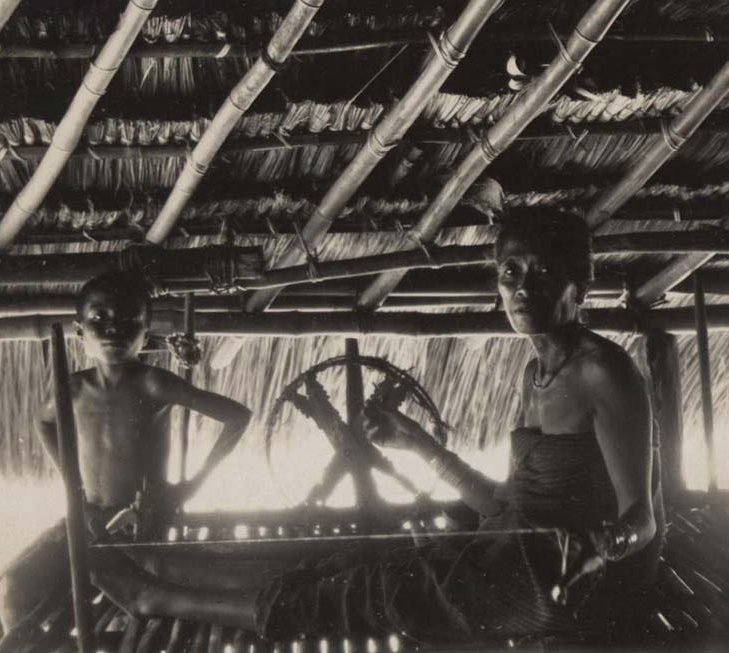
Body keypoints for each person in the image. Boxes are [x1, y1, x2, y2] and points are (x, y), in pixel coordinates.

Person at [92, 212, 665, 643]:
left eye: (543, 272)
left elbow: (643, 519)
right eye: (510, 272)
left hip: (564, 592)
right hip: (510, 559)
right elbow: (501, 506)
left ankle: (153, 596)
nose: (522, 288)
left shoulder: (603, 373)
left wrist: (599, 545)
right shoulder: (533, 372)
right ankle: (165, 567)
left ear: (579, 284)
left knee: (379, 593)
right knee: (347, 566)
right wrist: (414, 441)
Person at [0, 271, 253, 651]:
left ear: (145, 330)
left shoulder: (153, 383)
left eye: (128, 320)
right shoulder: (72, 389)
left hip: (134, 523)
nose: (113, 329)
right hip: (87, 516)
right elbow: (42, 421)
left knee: (22, 606)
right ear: (79, 329)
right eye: (99, 319)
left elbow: (237, 416)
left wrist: (191, 486)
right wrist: (72, 487)